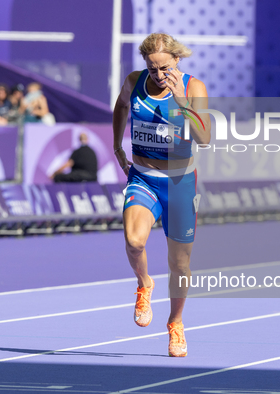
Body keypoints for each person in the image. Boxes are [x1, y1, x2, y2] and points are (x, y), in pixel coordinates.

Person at [112, 33, 210, 357]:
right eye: (152, 68)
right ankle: (144, 284)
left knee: (179, 266)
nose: (158, 75)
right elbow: (121, 105)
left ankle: (176, 322)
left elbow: (205, 137)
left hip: (180, 183)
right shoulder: (134, 81)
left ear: (176, 60)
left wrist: (181, 100)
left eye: (164, 68)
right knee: (134, 240)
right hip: (143, 177)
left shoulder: (194, 88)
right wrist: (116, 145)